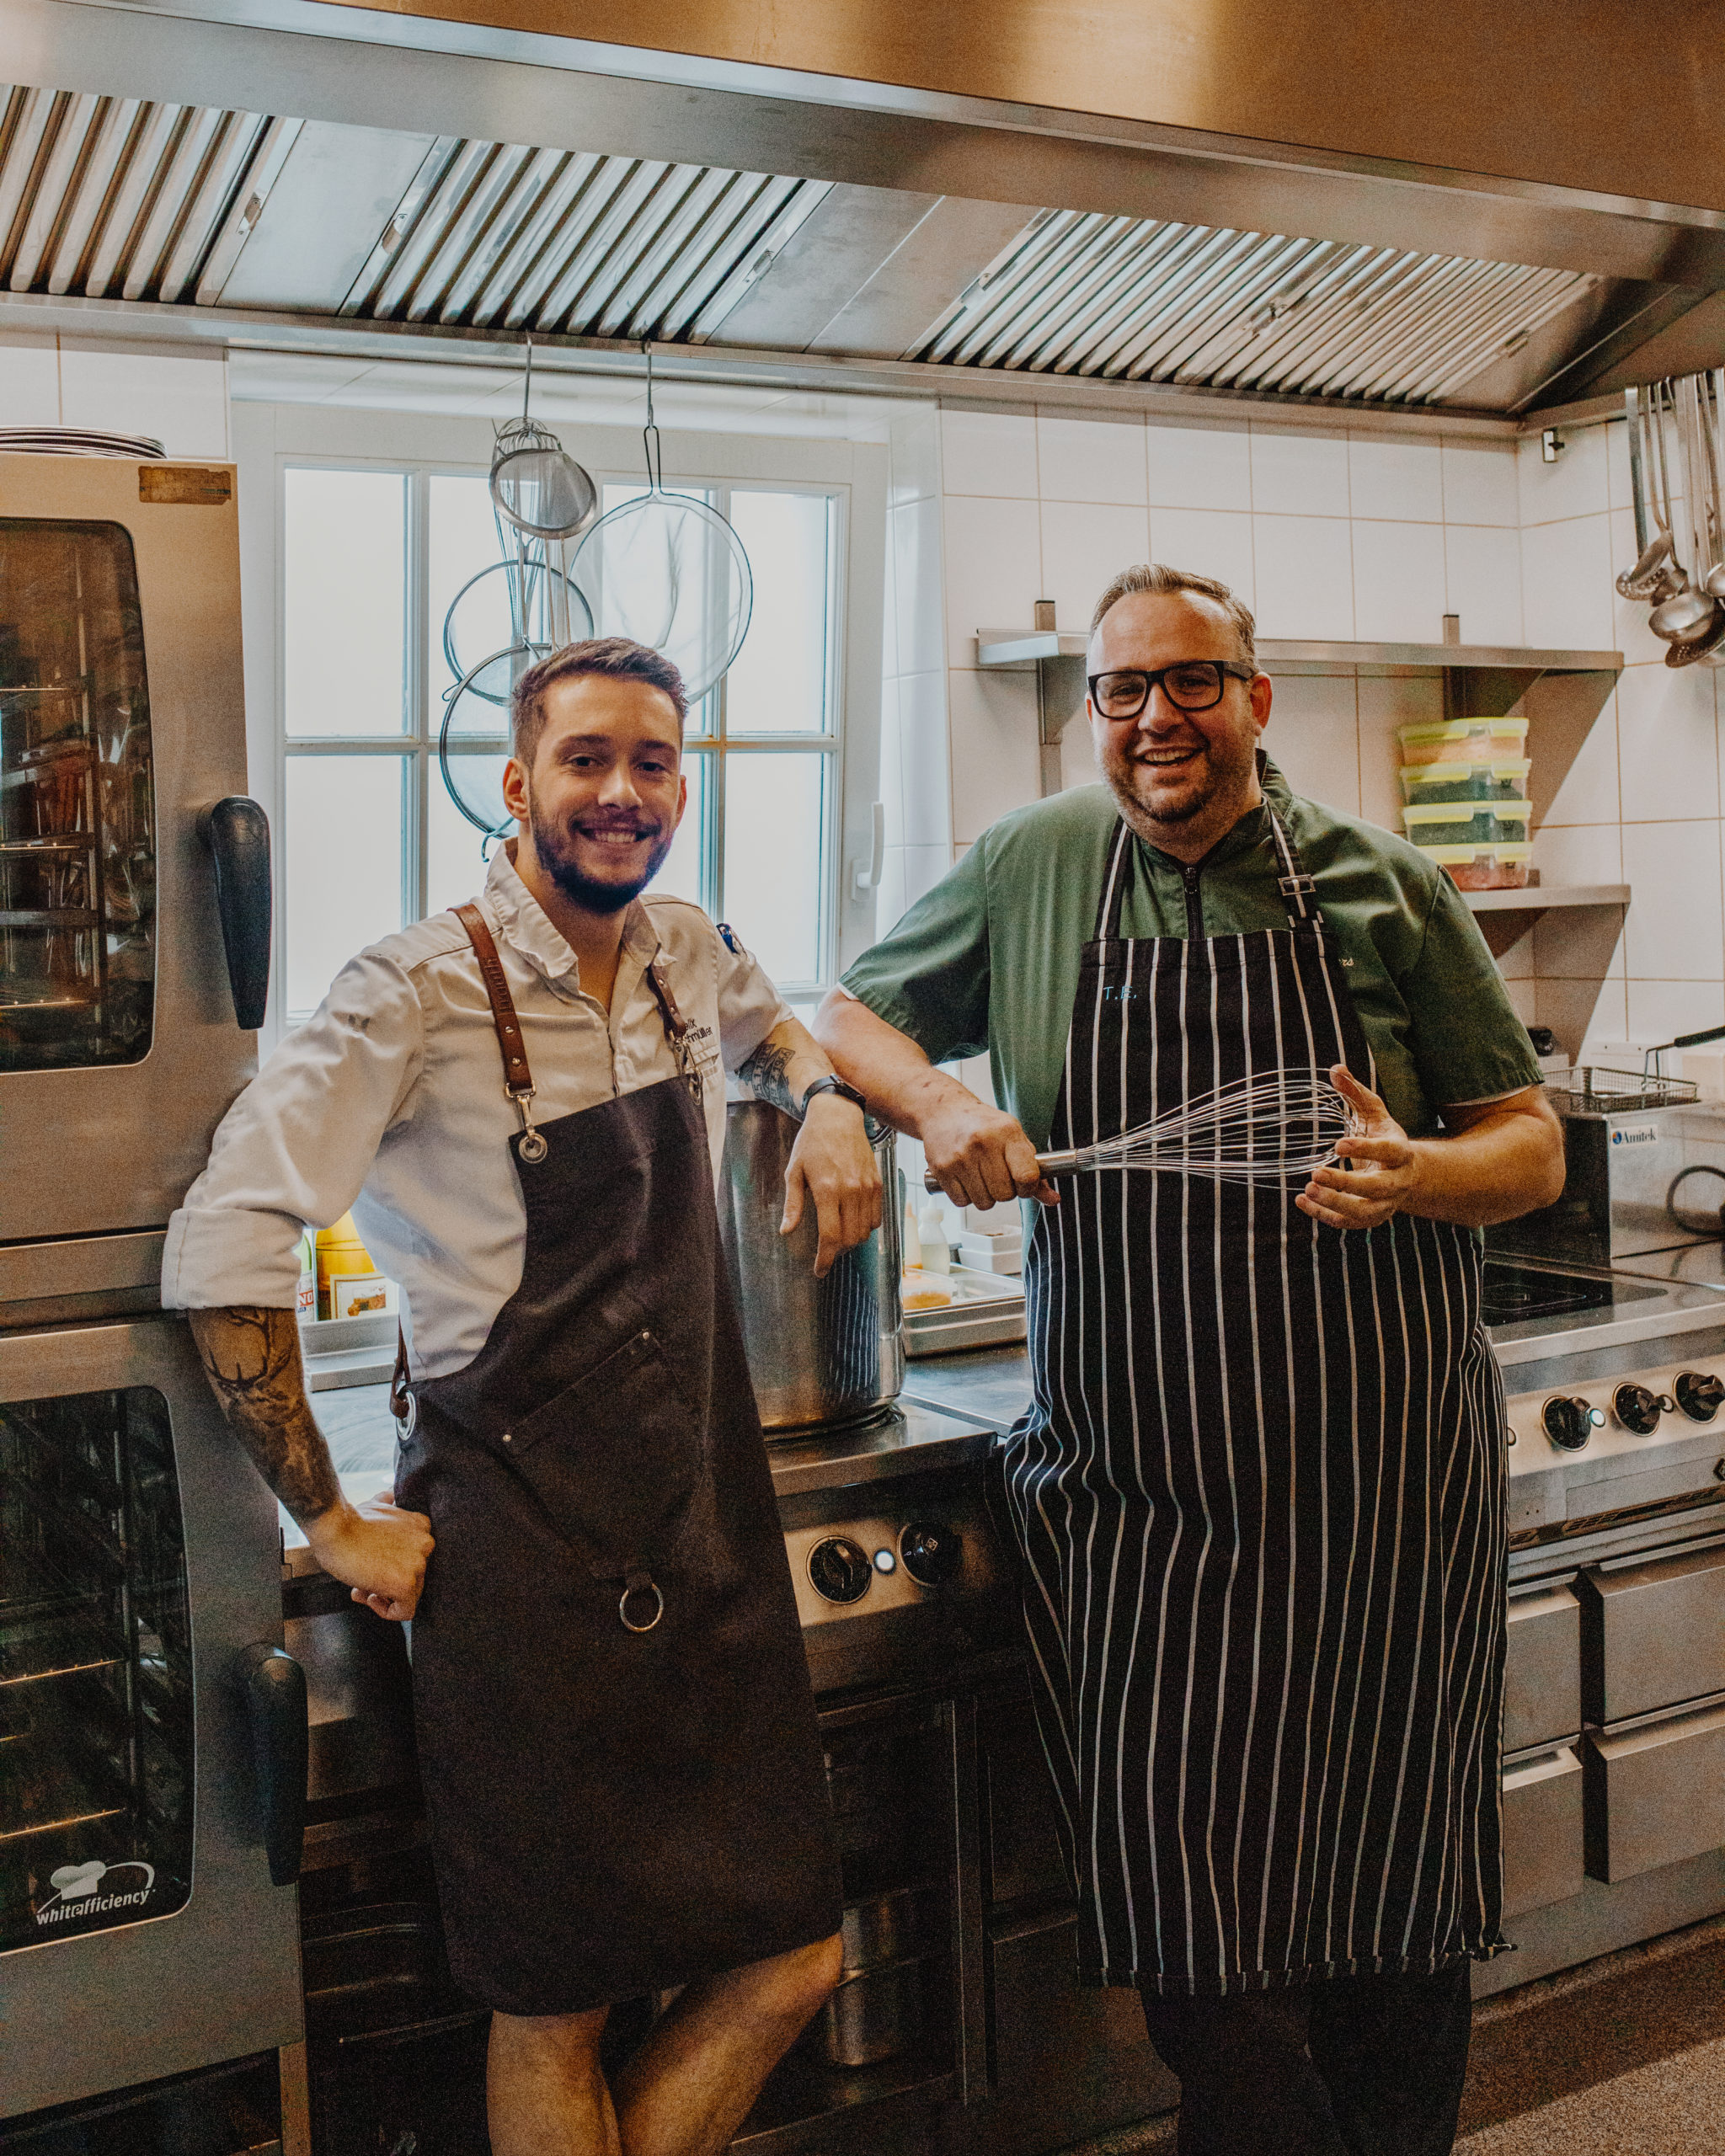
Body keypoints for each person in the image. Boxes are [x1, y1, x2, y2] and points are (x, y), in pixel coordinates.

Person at [815, 563, 1565, 2156]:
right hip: (1145, 1502)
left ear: (1255, 698)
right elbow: (849, 1015)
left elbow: (1532, 1148)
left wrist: (1419, 1176)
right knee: (1191, 1927)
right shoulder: (1031, 865)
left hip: (1378, 1493)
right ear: (1093, 709)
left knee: (1393, 1906)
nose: (1158, 717)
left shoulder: (1382, 885)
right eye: (1124, 689)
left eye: (1193, 682)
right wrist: (931, 1106)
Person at [164, 635, 884, 2156]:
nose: (621, 794)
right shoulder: (414, 992)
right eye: (587, 761)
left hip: (702, 1547)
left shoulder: (690, 954)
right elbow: (225, 1242)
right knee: (552, 2002)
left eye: (653, 763)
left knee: (797, 1949)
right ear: (517, 784)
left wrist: (821, 1100)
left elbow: (775, 1027)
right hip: (522, 1580)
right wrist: (333, 1517)